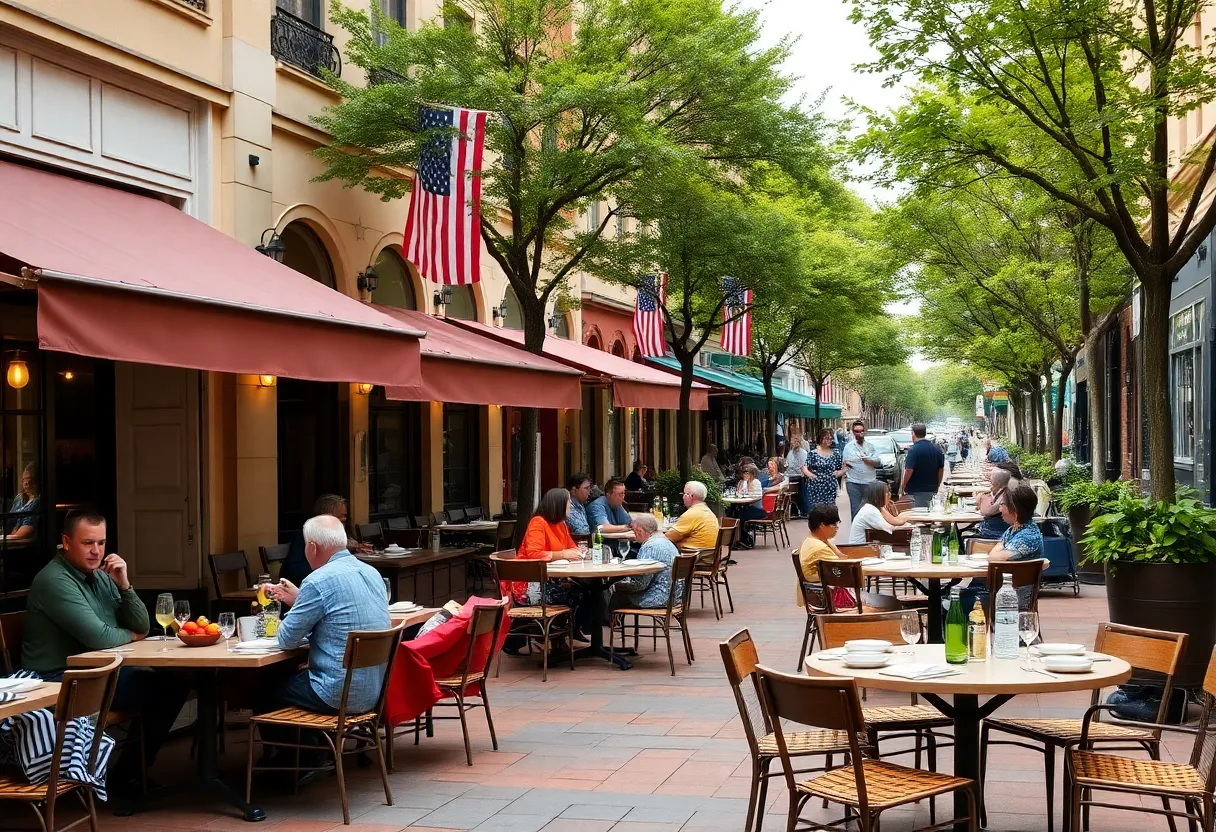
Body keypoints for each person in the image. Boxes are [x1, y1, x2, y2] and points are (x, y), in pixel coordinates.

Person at [22, 509, 187, 795]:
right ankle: (128, 776)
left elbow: (142, 624)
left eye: (101, 543)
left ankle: (129, 773)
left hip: (96, 671)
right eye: (88, 543)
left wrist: (124, 583)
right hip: (58, 681)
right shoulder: (55, 580)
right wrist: (132, 636)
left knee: (170, 683)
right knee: (166, 687)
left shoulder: (100, 577)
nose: (96, 551)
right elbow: (99, 637)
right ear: (67, 542)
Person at [265, 515, 392, 719]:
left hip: (335, 694)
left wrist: (292, 609)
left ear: (312, 548)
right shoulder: (371, 573)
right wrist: (301, 600)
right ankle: (318, 748)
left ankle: (308, 750)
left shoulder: (317, 581)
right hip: (374, 693)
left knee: (263, 688)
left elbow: (286, 639)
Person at [281, 494, 367, 588]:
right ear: (327, 516)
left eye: (345, 515)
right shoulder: (305, 534)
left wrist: (352, 549)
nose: (344, 519)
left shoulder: (340, 532)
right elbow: (291, 569)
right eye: (341, 516)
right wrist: (325, 572)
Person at [981, 483, 1043, 610]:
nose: (1000, 509)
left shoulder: (1028, 536)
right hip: (1001, 589)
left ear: (1015, 511)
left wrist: (998, 550)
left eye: (1003, 505)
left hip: (1013, 596)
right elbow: (995, 551)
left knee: (958, 601)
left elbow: (994, 556)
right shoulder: (1014, 529)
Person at [609, 514, 681, 612]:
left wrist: (615, 585)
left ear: (640, 531)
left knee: (617, 596)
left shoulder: (650, 547)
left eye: (634, 531)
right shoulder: (666, 542)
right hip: (675, 597)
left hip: (658, 598)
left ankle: (610, 626)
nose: (634, 535)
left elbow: (641, 584)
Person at [795, 503, 854, 610]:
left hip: (820, 592)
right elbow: (843, 570)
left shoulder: (816, 540)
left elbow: (840, 557)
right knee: (874, 601)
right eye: (834, 525)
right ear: (822, 525)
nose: (837, 528)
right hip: (825, 597)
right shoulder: (819, 548)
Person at [847, 481, 912, 544]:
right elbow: (890, 528)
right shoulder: (870, 510)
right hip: (859, 549)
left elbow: (894, 520)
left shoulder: (875, 508)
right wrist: (909, 525)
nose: (889, 495)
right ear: (878, 495)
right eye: (886, 492)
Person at [665, 481, 720, 550]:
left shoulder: (691, 514)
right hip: (708, 555)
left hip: (692, 557)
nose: (683, 497)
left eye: (684, 494)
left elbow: (668, 537)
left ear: (691, 496)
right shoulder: (708, 512)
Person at [900, 423, 945, 508]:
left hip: (915, 490)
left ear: (913, 434)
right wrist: (937, 485)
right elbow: (941, 469)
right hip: (931, 488)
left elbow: (909, 470)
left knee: (919, 515)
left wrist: (903, 485)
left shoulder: (913, 450)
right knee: (928, 511)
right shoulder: (937, 449)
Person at [841, 420, 879, 521]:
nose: (859, 434)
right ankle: (856, 534)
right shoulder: (848, 447)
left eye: (861, 431)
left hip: (869, 482)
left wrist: (868, 461)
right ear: (853, 432)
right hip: (854, 482)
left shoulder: (871, 446)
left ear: (865, 431)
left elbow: (877, 462)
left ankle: (868, 534)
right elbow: (845, 463)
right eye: (856, 431)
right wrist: (849, 465)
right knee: (856, 510)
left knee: (869, 510)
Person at [805, 428, 845, 511]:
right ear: (820, 438)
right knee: (817, 510)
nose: (829, 440)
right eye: (827, 438)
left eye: (831, 438)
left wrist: (838, 473)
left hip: (830, 485)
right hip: (815, 486)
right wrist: (811, 475)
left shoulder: (836, 453)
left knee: (829, 510)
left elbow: (843, 468)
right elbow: (804, 467)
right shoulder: (813, 453)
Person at [730, 464, 766, 549]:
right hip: (747, 507)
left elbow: (755, 496)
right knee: (734, 514)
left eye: (747, 473)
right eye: (744, 473)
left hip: (757, 509)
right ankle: (736, 539)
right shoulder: (741, 482)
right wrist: (743, 483)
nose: (745, 475)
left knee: (739, 517)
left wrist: (746, 483)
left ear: (752, 474)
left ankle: (743, 539)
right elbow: (738, 492)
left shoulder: (756, 482)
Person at [976, 468, 1018, 539]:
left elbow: (986, 511)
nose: (989, 484)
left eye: (991, 481)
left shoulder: (1005, 494)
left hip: (996, 532)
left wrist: (982, 496)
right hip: (1002, 530)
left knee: (963, 535)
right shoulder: (1005, 490)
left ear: (997, 483)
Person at [8, 462, 40, 539]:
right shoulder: (19, 499)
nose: (26, 483)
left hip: (24, 544)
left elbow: (24, 532)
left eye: (29, 479)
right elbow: (9, 520)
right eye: (24, 480)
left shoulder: (38, 502)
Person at [784, 434, 808, 517]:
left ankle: (803, 509)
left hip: (798, 476)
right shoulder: (790, 452)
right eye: (791, 442)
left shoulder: (803, 453)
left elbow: (803, 467)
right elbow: (787, 464)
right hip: (790, 475)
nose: (791, 443)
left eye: (793, 442)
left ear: (798, 442)